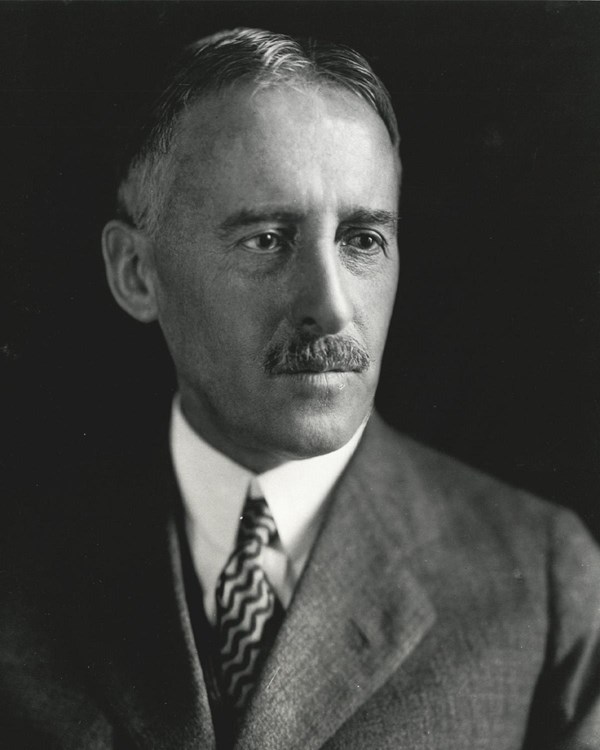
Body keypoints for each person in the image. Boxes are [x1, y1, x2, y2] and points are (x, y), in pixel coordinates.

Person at [2, 27, 600, 750]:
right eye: (266, 238)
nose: (333, 305)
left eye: (362, 240)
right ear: (136, 273)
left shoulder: (546, 582)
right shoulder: (26, 563)